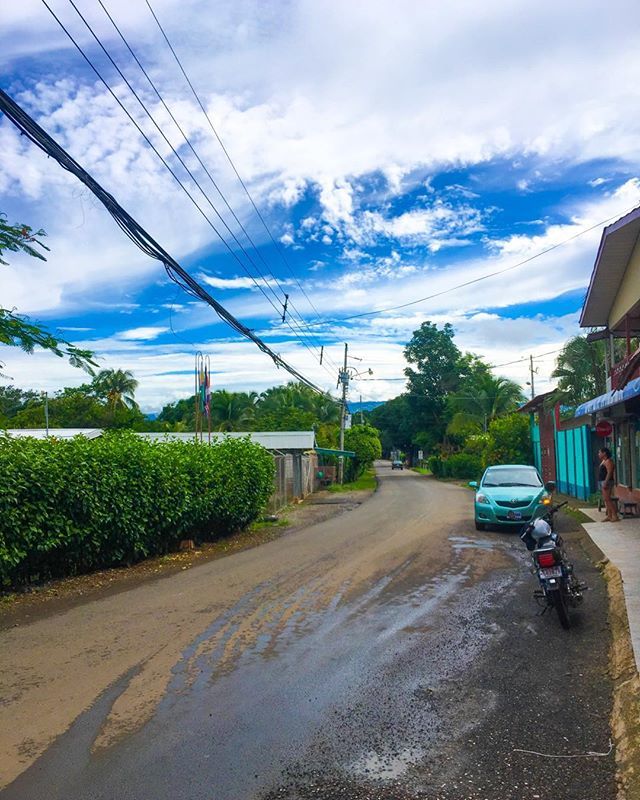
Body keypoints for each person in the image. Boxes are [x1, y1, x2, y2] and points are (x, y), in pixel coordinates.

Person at [598, 447, 619, 522]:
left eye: (600, 452)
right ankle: (609, 516)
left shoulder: (608, 461)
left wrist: (605, 482)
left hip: (607, 481)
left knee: (608, 499)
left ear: (604, 453)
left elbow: (610, 472)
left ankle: (615, 515)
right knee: (606, 500)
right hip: (602, 481)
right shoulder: (603, 461)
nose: (599, 454)